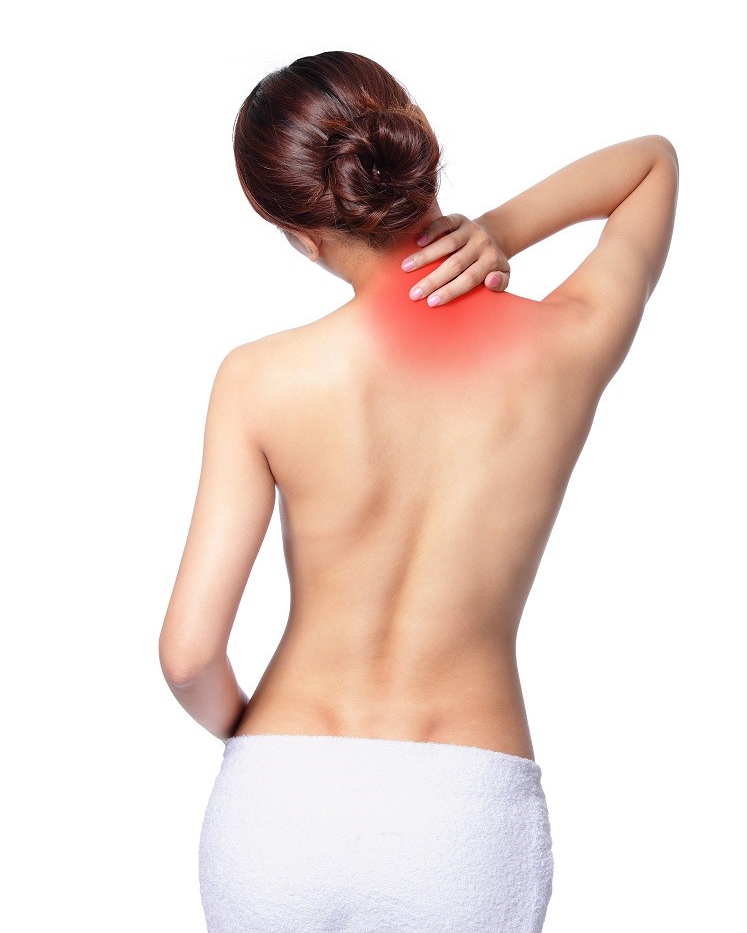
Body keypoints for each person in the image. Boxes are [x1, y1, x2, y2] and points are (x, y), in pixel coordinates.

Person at [158, 51, 679, 932]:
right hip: (463, 811)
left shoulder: (260, 379)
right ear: (414, 145)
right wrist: (498, 230)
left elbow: (187, 656)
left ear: (296, 230)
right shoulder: (568, 342)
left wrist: (259, 741)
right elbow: (650, 164)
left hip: (281, 799)